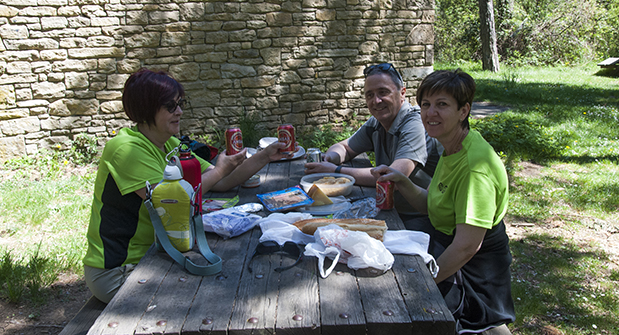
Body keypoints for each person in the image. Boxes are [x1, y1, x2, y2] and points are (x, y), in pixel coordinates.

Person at [83, 69, 286, 303]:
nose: (179, 111)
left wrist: (264, 156)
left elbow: (219, 182)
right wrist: (219, 169)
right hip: (121, 270)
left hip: (158, 254)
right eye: (171, 106)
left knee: (229, 281)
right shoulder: (126, 149)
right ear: (147, 107)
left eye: (181, 104)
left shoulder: (167, 142)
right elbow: (170, 205)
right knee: (214, 294)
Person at [371, 69, 515, 335]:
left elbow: (466, 248)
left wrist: (423, 285)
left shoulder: (475, 168)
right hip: (446, 257)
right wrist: (402, 181)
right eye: (426, 104)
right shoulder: (452, 147)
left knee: (387, 306)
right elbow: (433, 206)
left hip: (473, 289)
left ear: (463, 111)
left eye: (442, 105)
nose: (430, 113)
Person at [304, 63, 442, 220]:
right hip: (389, 209)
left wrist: (335, 171)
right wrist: (331, 157)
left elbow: (393, 177)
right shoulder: (377, 122)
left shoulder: (414, 123)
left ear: (402, 93)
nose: (376, 101)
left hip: (419, 218)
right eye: (369, 95)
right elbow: (345, 147)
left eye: (383, 92)